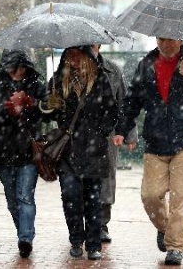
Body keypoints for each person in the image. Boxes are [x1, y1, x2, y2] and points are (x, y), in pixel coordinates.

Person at [112, 37, 183, 265]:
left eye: (171, 40)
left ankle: (175, 247)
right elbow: (132, 100)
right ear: (156, 39)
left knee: (181, 197)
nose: (166, 44)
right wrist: (122, 128)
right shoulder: (146, 64)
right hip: (156, 140)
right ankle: (165, 228)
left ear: (180, 39)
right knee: (150, 195)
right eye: (161, 40)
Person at [43, 46, 118, 260]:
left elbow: (111, 111)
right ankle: (76, 240)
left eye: (78, 54)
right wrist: (49, 105)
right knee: (70, 195)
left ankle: (93, 244)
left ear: (86, 56)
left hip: (93, 150)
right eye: (70, 54)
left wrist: (98, 131)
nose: (73, 59)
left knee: (93, 199)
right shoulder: (58, 81)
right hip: (68, 150)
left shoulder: (100, 79)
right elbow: (46, 115)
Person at [0, 49, 47, 258]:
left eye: (22, 68)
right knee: (12, 199)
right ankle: (23, 232)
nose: (18, 73)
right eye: (14, 68)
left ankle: (25, 239)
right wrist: (6, 109)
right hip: (2, 152)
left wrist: (30, 106)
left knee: (25, 196)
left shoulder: (35, 86)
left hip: (28, 151)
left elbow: (49, 111)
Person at [90, 45, 138, 243]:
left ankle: (101, 223)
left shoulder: (112, 70)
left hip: (107, 134)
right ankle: (81, 224)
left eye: (93, 43)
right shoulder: (69, 69)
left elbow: (124, 103)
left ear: (99, 45)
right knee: (80, 179)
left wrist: (129, 133)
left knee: (106, 178)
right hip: (79, 135)